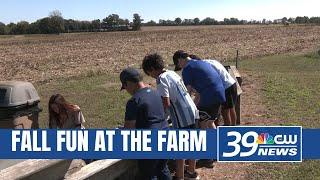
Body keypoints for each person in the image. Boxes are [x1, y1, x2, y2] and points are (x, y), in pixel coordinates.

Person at [142, 53, 200, 180]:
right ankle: (191, 172)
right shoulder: (172, 73)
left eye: (149, 73)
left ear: (151, 69)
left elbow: (165, 102)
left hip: (182, 116)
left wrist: (157, 117)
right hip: (192, 111)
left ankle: (179, 176)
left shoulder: (161, 79)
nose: (150, 76)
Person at [173, 50, 226, 168]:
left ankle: (207, 159)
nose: (180, 68)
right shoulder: (201, 62)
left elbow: (187, 91)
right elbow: (202, 87)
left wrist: (184, 106)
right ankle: (219, 151)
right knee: (210, 123)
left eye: (178, 65)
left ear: (180, 59)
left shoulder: (187, 68)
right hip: (219, 95)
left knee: (202, 126)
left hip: (208, 98)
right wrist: (195, 105)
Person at [120, 67, 171, 180]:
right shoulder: (155, 92)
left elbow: (129, 131)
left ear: (128, 83)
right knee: (162, 169)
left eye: (125, 87)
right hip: (166, 135)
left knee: (148, 174)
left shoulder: (134, 101)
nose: (127, 91)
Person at [200, 58, 238, 126]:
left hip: (225, 87)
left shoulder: (204, 66)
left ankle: (227, 129)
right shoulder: (211, 61)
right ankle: (233, 127)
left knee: (225, 111)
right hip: (232, 83)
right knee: (232, 108)